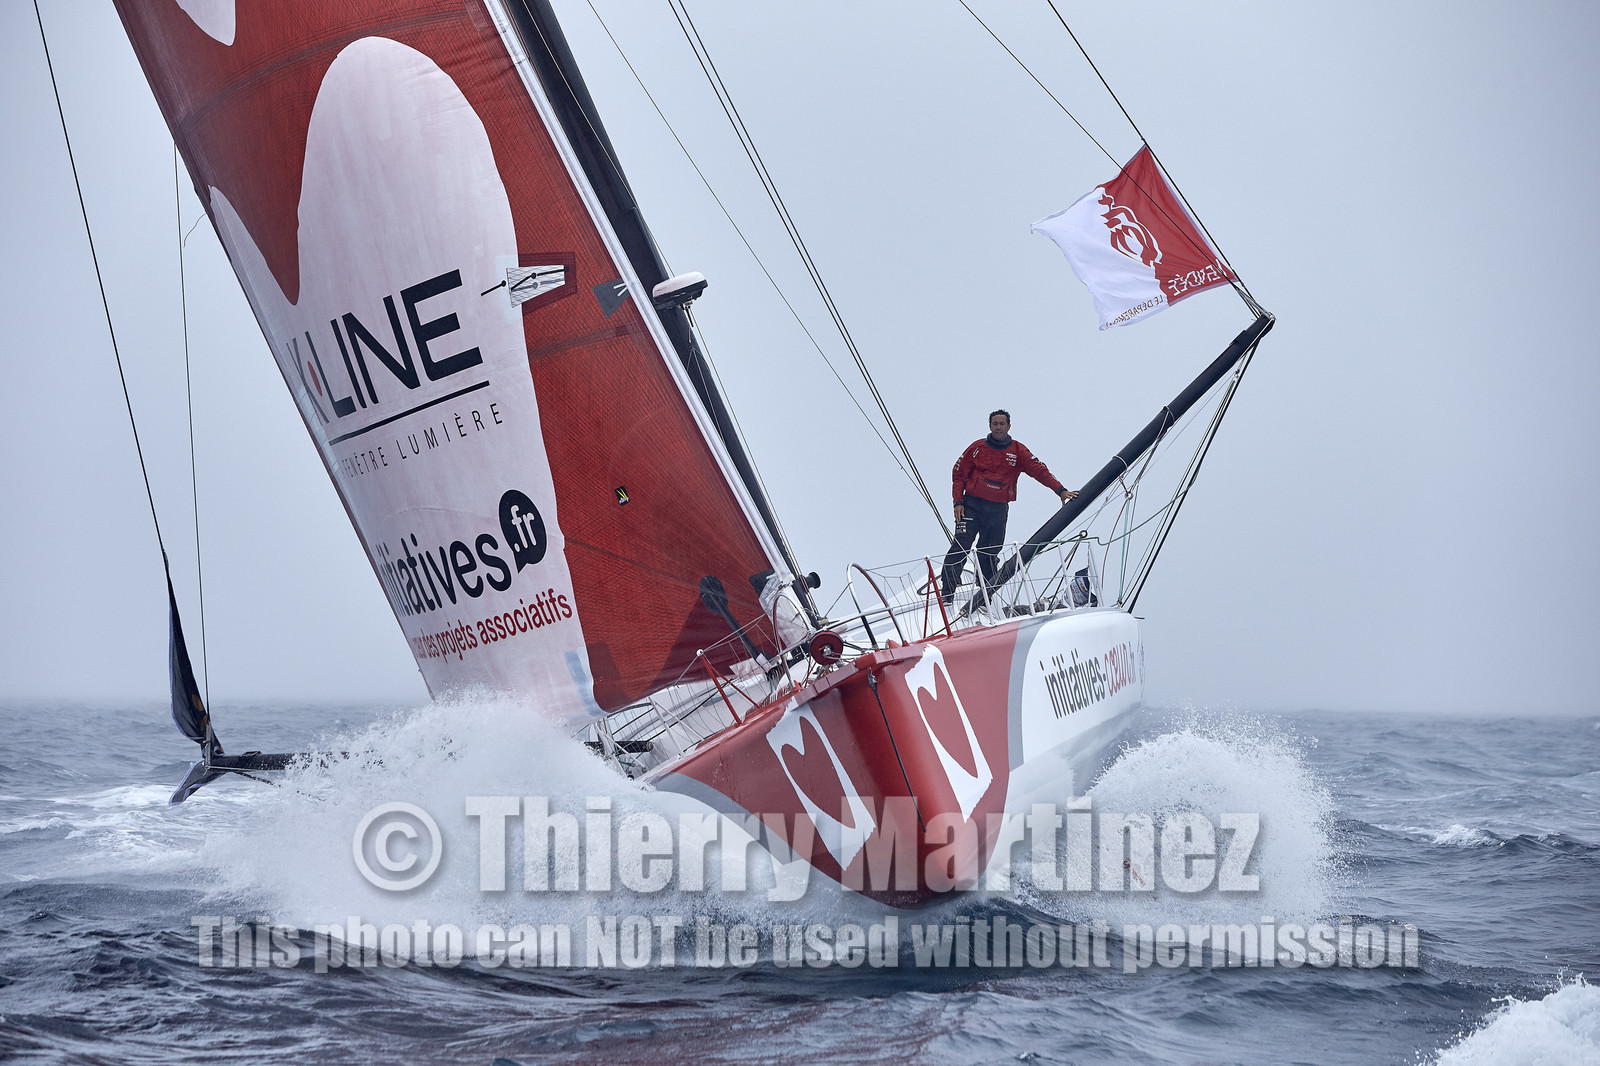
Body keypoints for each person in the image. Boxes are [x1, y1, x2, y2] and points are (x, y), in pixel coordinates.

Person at [940, 410, 1076, 605]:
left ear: (1008, 426)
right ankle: (947, 594)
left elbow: (1039, 471)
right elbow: (958, 473)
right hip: (971, 505)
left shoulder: (1018, 451)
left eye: (1002, 424)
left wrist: (1060, 490)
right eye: (995, 424)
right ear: (990, 426)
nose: (998, 427)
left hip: (998, 509)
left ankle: (985, 596)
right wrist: (957, 502)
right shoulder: (977, 448)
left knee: (989, 552)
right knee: (961, 546)